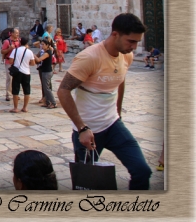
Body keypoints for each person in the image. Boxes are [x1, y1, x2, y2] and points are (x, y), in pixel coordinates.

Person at [57, 13, 152, 190]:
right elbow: (63, 91)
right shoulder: (90, 57)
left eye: (137, 42)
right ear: (115, 34)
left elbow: (120, 79)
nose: (134, 47)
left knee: (142, 170)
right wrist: (82, 128)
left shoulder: (126, 56)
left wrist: (118, 111)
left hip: (113, 124)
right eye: (131, 41)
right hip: (88, 131)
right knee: (86, 184)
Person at [9, 37, 37, 113]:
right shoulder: (30, 52)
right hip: (26, 72)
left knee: (15, 90)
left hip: (17, 73)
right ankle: (25, 107)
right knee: (27, 90)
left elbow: (10, 61)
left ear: (20, 42)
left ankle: (15, 108)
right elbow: (33, 63)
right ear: (27, 43)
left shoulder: (15, 50)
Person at [1, 29, 21, 101]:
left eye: (18, 33)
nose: (17, 34)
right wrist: (9, 49)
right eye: (16, 33)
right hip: (9, 62)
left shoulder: (19, 41)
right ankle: (8, 94)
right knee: (10, 78)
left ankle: (16, 93)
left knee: (18, 78)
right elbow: (2, 51)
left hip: (17, 62)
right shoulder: (7, 42)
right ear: (11, 33)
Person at [36, 39, 57, 109]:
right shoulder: (45, 51)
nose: (42, 46)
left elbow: (39, 59)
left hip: (47, 72)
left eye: (43, 44)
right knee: (45, 87)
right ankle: (47, 102)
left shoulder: (47, 53)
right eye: (41, 44)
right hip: (45, 71)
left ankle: (53, 103)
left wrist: (32, 54)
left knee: (47, 88)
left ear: (47, 45)